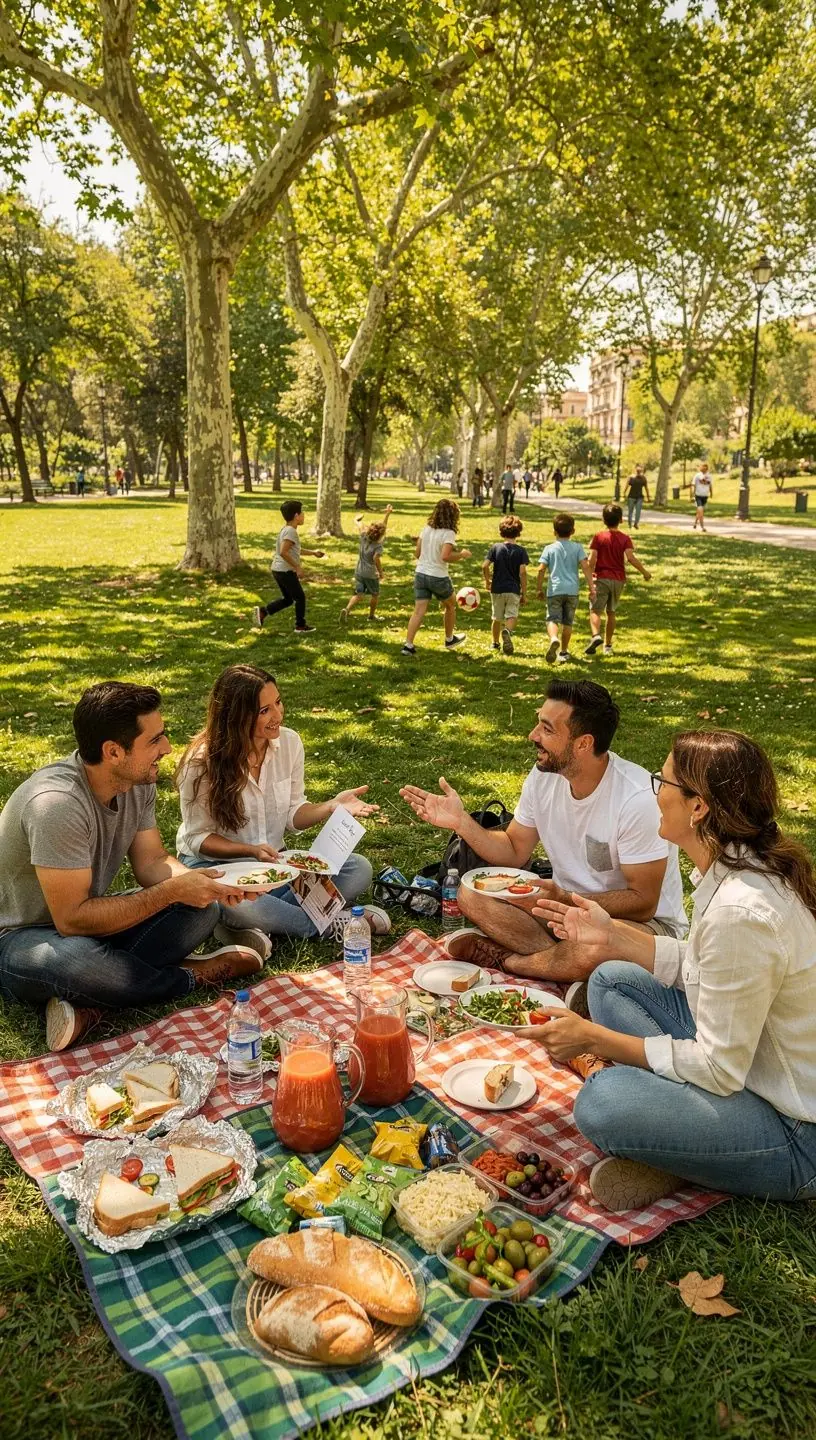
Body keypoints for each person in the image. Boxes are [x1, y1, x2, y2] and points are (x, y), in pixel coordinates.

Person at [534, 730, 816, 1211]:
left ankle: (681, 1157)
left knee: (603, 1101)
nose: (654, 791)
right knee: (611, 977)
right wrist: (612, 937)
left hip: (792, 1130)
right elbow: (704, 966)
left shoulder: (741, 911)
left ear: (699, 807)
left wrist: (595, 1041)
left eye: (661, 780)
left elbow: (718, 1069)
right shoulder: (737, 870)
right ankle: (681, 1143)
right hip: (748, 1066)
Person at [0, 683, 262, 1052]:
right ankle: (190, 976)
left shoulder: (137, 781)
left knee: (203, 910)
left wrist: (210, 883)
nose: (167, 748)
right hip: (21, 938)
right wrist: (169, 892)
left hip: (89, 924)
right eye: (155, 740)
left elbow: (152, 862)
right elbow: (71, 920)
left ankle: (91, 1002)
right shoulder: (56, 805)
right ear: (113, 752)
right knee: (78, 962)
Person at [399, 679, 686, 987]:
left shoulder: (636, 798)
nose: (532, 736)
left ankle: (512, 961)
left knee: (594, 948)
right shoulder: (544, 776)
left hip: (641, 925)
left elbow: (644, 902)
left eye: (547, 730)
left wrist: (566, 900)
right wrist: (462, 823)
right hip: (562, 912)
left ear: (583, 743)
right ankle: (565, 969)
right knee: (470, 894)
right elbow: (513, 849)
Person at [176, 665, 387, 952]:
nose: (278, 715)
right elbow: (198, 839)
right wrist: (249, 850)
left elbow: (293, 814)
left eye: (278, 702)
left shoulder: (289, 743)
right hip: (216, 868)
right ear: (237, 716)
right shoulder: (200, 764)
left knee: (358, 868)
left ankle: (253, 923)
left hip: (273, 865)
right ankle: (330, 923)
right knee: (235, 904)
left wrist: (330, 806)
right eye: (264, 711)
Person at [401, 498, 472, 656]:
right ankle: (449, 639)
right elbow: (445, 556)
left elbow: (417, 553)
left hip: (420, 574)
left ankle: (408, 645)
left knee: (418, 611)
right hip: (438, 576)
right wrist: (461, 554)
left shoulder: (426, 528)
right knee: (451, 605)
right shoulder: (449, 533)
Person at [585, 504, 651, 657]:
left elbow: (592, 559)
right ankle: (607, 645)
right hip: (618, 580)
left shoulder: (598, 537)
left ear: (603, 519)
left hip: (601, 578)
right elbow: (631, 558)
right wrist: (645, 572)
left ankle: (596, 636)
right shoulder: (625, 538)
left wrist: (588, 574)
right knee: (611, 612)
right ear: (621, 520)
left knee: (595, 610)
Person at [253, 499, 325, 635]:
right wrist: (297, 567)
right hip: (285, 571)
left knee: (288, 599)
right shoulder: (291, 531)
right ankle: (300, 626)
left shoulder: (286, 529)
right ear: (296, 516)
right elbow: (283, 552)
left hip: (278, 570)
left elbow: (294, 549)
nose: (304, 515)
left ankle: (263, 612)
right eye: (302, 513)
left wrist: (313, 553)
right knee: (300, 598)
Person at [537, 513, 595, 665]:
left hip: (555, 590)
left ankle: (554, 638)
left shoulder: (549, 549)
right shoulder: (577, 548)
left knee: (552, 618)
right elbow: (586, 567)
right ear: (573, 531)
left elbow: (541, 569)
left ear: (554, 532)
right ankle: (563, 651)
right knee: (567, 622)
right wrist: (592, 587)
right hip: (572, 591)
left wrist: (539, 588)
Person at [482, 516, 529, 655]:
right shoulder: (521, 551)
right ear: (518, 532)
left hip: (497, 589)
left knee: (496, 618)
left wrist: (487, 580)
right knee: (511, 615)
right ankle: (507, 631)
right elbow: (523, 573)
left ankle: (495, 643)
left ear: (501, 532)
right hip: (513, 589)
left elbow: (484, 566)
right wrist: (524, 593)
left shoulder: (495, 548)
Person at [340, 505, 393, 624]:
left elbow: (360, 525)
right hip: (370, 574)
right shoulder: (378, 545)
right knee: (375, 594)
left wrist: (357, 520)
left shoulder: (364, 536)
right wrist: (381, 573)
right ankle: (371, 616)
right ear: (381, 535)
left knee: (359, 594)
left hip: (358, 571)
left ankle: (347, 609)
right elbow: (376, 559)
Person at [623, 464, 650, 529]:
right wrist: (624, 493)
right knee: (631, 511)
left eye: (639, 470)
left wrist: (648, 497)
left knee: (637, 511)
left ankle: (635, 524)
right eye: (638, 470)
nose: (638, 472)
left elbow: (646, 488)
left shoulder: (643, 478)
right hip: (631, 497)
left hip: (639, 497)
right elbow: (627, 486)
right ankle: (630, 525)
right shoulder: (631, 477)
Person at [691, 461, 712, 532]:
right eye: (703, 467)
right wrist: (692, 495)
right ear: (701, 468)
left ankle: (695, 523)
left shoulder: (709, 476)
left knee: (699, 511)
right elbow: (693, 485)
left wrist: (711, 493)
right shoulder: (697, 475)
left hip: (705, 496)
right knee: (701, 510)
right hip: (698, 496)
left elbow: (710, 485)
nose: (705, 469)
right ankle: (702, 527)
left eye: (706, 468)